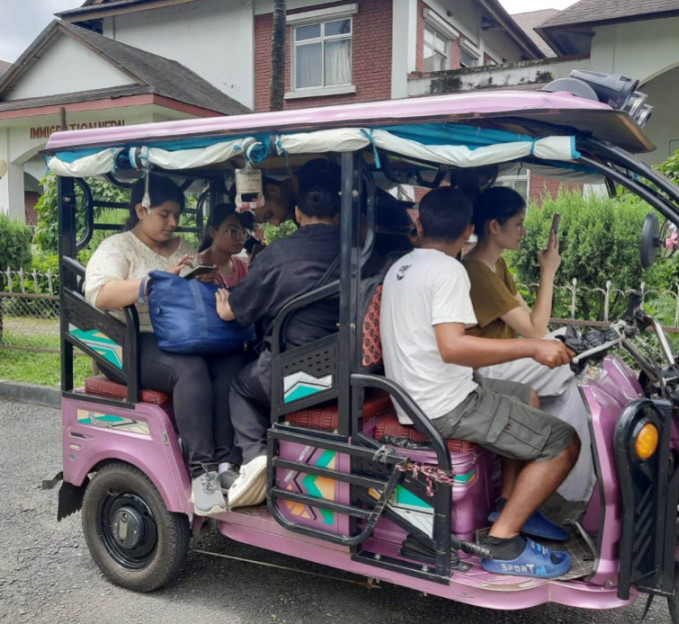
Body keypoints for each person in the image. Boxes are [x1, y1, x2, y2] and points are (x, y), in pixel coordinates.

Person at [379, 187, 580, 578]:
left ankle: (508, 502)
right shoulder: (449, 269)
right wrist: (531, 350)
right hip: (444, 405)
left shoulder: (403, 265)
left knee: (526, 395)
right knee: (564, 442)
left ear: (420, 224)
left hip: (420, 395)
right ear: (471, 229)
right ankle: (503, 542)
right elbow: (453, 347)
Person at [84, 174, 244, 516]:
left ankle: (227, 461)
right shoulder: (117, 247)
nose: (173, 223)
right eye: (165, 215)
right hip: (132, 342)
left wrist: (202, 277)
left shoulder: (184, 248)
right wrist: (153, 282)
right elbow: (100, 294)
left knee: (232, 363)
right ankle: (203, 474)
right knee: (190, 371)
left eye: (177, 215)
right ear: (141, 210)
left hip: (183, 336)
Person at [215, 170, 345, 509]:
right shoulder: (362, 249)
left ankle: (254, 457)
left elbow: (234, 312)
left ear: (299, 214)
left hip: (295, 376)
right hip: (348, 367)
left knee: (239, 386)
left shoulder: (279, 254)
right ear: (338, 213)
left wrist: (223, 303)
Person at [462, 186, 596, 507]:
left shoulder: (498, 266)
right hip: (484, 368)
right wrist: (548, 271)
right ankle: (571, 491)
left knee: (574, 381)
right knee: (571, 356)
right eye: (518, 224)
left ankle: (572, 490)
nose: (523, 232)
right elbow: (536, 330)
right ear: (495, 226)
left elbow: (533, 323)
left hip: (505, 359)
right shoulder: (477, 270)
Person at [197, 203, 252, 288]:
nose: (241, 238)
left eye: (244, 232)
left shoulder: (243, 266)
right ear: (213, 232)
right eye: (233, 231)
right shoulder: (196, 266)